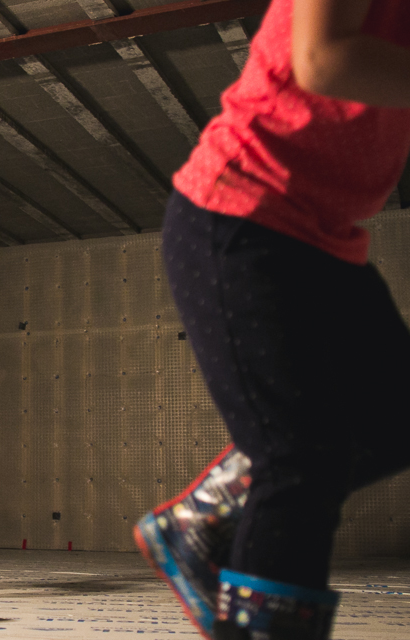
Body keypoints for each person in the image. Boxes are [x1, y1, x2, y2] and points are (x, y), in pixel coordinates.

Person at [133, 1, 410, 638]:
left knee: (396, 416)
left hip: (327, 239)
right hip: (240, 210)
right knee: (300, 460)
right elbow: (320, 58)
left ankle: (204, 519)